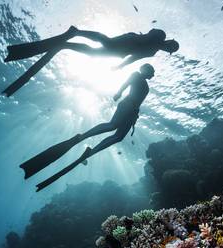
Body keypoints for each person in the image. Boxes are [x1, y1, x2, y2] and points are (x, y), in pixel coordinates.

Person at [21, 63, 155, 191]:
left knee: (118, 137)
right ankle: (83, 136)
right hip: (127, 104)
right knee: (112, 125)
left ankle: (93, 151)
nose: (152, 74)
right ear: (144, 69)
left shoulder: (146, 86)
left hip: (133, 112)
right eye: (151, 71)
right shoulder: (136, 75)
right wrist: (119, 92)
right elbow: (126, 83)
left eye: (153, 73)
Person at [2, 26, 178, 96]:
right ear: (169, 42)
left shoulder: (153, 51)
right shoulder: (159, 35)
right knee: (106, 41)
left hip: (121, 53)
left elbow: (134, 58)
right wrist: (149, 40)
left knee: (94, 52)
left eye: (169, 50)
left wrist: (119, 66)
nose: (167, 49)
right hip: (126, 42)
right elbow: (145, 36)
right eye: (170, 47)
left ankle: (68, 44)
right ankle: (77, 32)